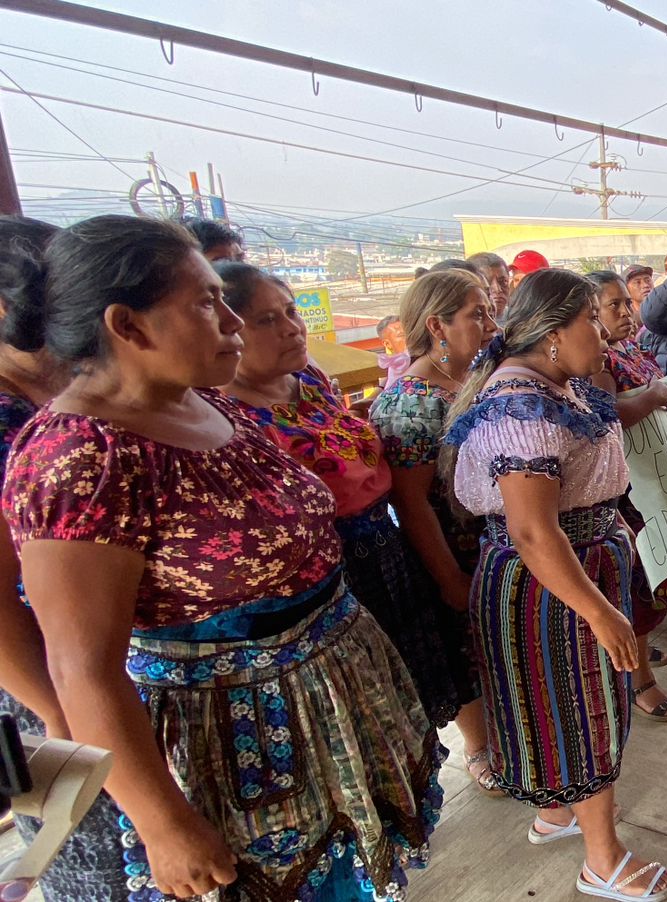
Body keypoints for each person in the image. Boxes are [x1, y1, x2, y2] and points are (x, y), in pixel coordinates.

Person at [2, 215, 440, 901]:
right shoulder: (84, 459)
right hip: (234, 745)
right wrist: (163, 823)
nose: (233, 321)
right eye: (207, 301)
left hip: (324, 697)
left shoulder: (205, 400)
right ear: (128, 326)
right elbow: (83, 668)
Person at [441, 268, 667, 901]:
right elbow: (533, 531)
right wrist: (600, 612)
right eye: (592, 322)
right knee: (580, 707)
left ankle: (557, 814)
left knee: (555, 702)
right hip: (554, 584)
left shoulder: (549, 388)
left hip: (569, 573)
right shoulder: (521, 407)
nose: (603, 335)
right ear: (552, 333)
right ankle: (603, 860)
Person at [217, 262, 482, 753]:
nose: (292, 327)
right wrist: (450, 577)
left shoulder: (310, 381)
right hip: (330, 573)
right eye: (266, 320)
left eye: (291, 311)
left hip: (385, 550)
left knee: (412, 681)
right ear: (226, 327)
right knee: (360, 713)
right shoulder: (225, 418)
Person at [0, 216, 128, 902]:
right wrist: (56, 709)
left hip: (111, 662)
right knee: (90, 851)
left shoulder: (73, 391)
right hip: (42, 677)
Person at [368, 268, 504, 793]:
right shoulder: (413, 400)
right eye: (478, 314)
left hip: (494, 543)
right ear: (437, 325)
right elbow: (412, 500)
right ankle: (479, 748)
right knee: (464, 654)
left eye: (490, 311)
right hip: (455, 550)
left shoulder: (475, 378)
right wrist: (449, 577)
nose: (491, 324)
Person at [590, 270, 667, 722]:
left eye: (625, 304)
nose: (627, 312)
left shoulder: (626, 347)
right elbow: (607, 416)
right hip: (627, 491)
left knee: (656, 577)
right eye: (615, 306)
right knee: (640, 581)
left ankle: (639, 651)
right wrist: (651, 397)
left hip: (652, 478)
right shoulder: (594, 363)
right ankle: (640, 680)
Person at [468, 250, 513, 317]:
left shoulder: (519, 321)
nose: (498, 290)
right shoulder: (464, 324)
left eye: (503, 281)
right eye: (487, 282)